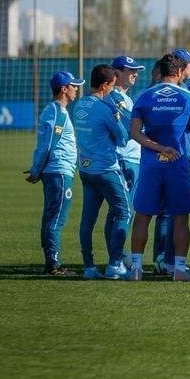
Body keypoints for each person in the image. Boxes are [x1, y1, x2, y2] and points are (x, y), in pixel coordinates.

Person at [128, 53, 190, 281]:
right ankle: (178, 269)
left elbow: (135, 133)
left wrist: (157, 148)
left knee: (143, 216)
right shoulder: (188, 97)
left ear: (159, 72)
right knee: (180, 218)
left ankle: (136, 268)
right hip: (177, 162)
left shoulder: (143, 96)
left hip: (150, 163)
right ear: (178, 73)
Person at [25, 70, 85, 276]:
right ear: (63, 89)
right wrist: (36, 169)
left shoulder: (56, 110)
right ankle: (54, 265)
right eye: (73, 85)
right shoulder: (57, 111)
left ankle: (50, 262)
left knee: (51, 216)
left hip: (56, 171)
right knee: (56, 218)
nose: (76, 89)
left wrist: (37, 168)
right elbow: (49, 144)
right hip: (59, 172)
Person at [73, 64, 131, 280]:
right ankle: (115, 265)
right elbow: (123, 138)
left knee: (88, 219)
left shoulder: (79, 105)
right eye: (111, 86)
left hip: (86, 169)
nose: (112, 91)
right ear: (105, 85)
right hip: (106, 169)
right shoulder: (105, 109)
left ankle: (89, 267)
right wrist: (117, 117)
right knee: (124, 212)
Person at [107, 55, 145, 267]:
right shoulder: (116, 97)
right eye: (130, 70)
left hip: (130, 158)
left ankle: (117, 255)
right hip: (125, 158)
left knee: (121, 210)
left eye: (136, 70)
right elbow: (132, 128)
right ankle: (117, 256)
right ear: (116, 73)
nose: (134, 74)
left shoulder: (125, 97)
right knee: (122, 211)